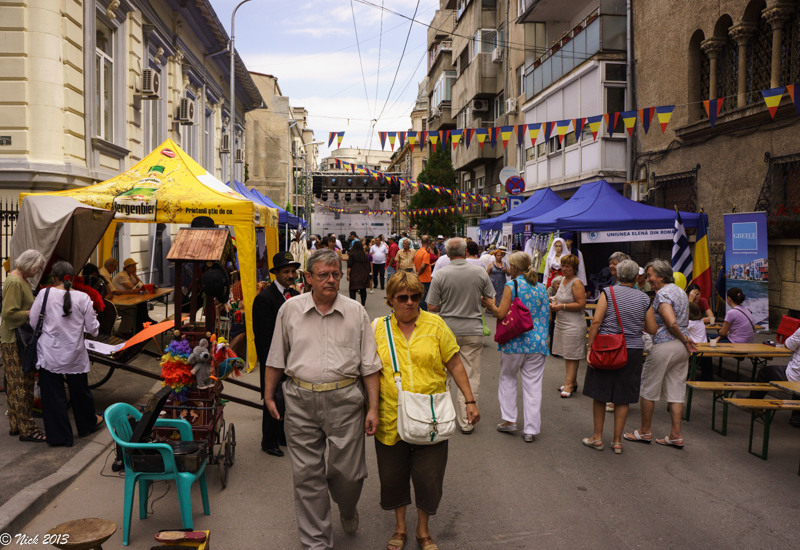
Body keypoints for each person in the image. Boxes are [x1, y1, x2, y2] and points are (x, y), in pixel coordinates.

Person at [263, 249, 381, 549]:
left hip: (345, 401)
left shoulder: (356, 311)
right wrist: (269, 395)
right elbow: (276, 356)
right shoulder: (289, 310)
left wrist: (373, 408)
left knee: (350, 476)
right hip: (300, 400)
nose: (331, 280)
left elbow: (369, 365)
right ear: (308, 278)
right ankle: (317, 542)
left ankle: (347, 505)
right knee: (306, 476)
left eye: (335, 274)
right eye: (324, 275)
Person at [373, 272, 480, 550]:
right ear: (390, 300)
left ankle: (423, 530)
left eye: (416, 297)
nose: (410, 303)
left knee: (428, 478)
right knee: (393, 476)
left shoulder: (435, 325)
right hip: (390, 417)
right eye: (403, 298)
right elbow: (369, 373)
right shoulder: (377, 329)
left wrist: (469, 400)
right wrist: (370, 408)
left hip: (431, 417)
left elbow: (455, 363)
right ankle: (400, 527)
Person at [582, 260, 656, 454]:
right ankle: (616, 441)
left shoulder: (608, 292)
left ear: (618, 275)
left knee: (599, 394)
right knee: (623, 397)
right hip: (632, 350)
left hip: (607, 348)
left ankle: (597, 437)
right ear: (636, 276)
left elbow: (597, 321)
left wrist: (590, 346)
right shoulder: (643, 298)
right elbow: (652, 328)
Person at [624, 259, 697, 448]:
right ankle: (675, 434)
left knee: (648, 388)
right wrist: (685, 340)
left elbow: (671, 322)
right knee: (675, 390)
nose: (648, 280)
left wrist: (683, 338)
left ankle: (645, 431)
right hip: (680, 350)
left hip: (666, 345)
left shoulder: (663, 294)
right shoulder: (681, 292)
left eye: (650, 276)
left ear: (662, 276)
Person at [30, 261, 103, 447]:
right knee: (80, 391)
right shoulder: (84, 298)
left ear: (54, 277)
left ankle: (61, 437)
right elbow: (93, 329)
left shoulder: (44, 294)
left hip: (50, 352)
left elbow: (33, 322)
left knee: (53, 396)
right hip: (74, 353)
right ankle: (87, 425)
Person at [427, 238, 495, 435]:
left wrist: (446, 306)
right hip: (473, 329)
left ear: (447, 254)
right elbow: (490, 298)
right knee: (471, 375)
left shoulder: (440, 274)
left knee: (444, 376)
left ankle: (442, 417)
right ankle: (467, 420)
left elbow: (431, 306)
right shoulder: (480, 272)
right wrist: (479, 303)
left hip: (447, 330)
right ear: (466, 252)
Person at [483, 251, 550, 443]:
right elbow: (547, 315)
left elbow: (502, 314)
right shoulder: (541, 287)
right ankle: (531, 429)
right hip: (537, 343)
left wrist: (489, 305)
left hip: (514, 342)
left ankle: (510, 419)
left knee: (508, 378)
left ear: (514, 268)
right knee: (533, 386)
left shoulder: (512, 285)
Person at [252, 252, 301, 457]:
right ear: (277, 273)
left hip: (293, 357)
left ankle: (281, 436)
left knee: (287, 398)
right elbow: (262, 336)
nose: (291, 275)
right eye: (286, 272)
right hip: (273, 359)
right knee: (272, 397)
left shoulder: (296, 296)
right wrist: (269, 362)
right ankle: (268, 441)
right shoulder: (265, 298)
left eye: (293, 271)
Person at [1, 249, 47, 443]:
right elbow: (9, 313)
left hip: (15, 338)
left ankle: (16, 424)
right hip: (14, 339)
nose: (37, 272)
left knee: (16, 384)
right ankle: (27, 429)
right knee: (21, 384)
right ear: (28, 264)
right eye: (37, 268)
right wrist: (31, 313)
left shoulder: (20, 280)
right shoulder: (15, 282)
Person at [551, 254, 587, 398]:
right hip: (562, 322)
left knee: (572, 355)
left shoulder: (576, 282)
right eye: (563, 266)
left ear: (574, 268)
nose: (564, 269)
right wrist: (553, 301)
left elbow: (581, 304)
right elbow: (560, 298)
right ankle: (572, 381)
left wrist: (562, 306)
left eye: (567, 267)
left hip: (573, 324)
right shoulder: (563, 280)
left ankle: (568, 384)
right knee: (567, 354)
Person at [750, 325, 800, 427]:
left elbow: (788, 345)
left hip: (796, 376)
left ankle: (753, 403)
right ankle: (796, 416)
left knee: (765, 372)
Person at [346, 240, 372, 306]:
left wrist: (348, 274)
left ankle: (353, 303)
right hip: (363, 273)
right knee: (363, 289)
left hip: (354, 273)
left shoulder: (352, 255)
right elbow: (367, 265)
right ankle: (363, 304)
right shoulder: (365, 255)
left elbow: (349, 266)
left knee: (352, 289)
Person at [413, 236, 432, 310]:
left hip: (419, 279)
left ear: (421, 242)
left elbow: (414, 264)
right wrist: (418, 274)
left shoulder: (418, 251)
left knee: (419, 298)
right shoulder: (426, 253)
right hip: (425, 279)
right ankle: (423, 315)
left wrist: (415, 274)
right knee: (424, 299)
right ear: (429, 243)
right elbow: (423, 266)